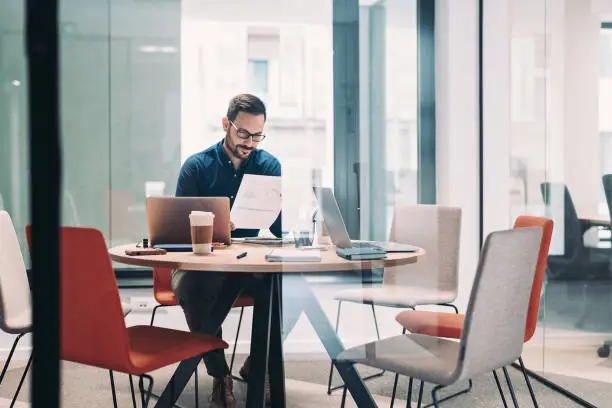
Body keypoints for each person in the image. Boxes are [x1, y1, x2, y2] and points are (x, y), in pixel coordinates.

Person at [172, 94, 300, 408]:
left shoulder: (269, 165)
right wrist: (214, 228)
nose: (250, 142)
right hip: (206, 264)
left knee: (293, 288)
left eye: (258, 135)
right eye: (243, 133)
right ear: (226, 124)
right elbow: (176, 230)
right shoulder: (197, 167)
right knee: (192, 284)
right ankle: (220, 375)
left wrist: (289, 206)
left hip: (249, 263)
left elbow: (280, 229)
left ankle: (257, 365)